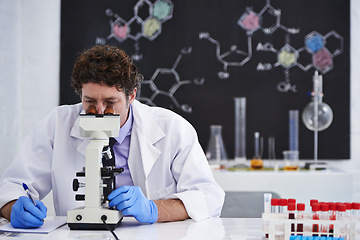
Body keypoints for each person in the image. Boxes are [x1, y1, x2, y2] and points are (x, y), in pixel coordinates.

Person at [0, 45, 225, 228]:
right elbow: (12, 187)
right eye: (89, 102)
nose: (99, 112)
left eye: (110, 103)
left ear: (132, 95)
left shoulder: (173, 129)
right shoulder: (58, 124)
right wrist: (15, 208)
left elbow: (207, 197)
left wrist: (153, 208)